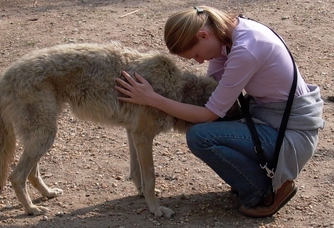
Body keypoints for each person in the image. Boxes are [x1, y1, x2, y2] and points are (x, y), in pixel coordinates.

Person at [114, 6, 324, 218]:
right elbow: (211, 88)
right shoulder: (228, 36)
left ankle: (266, 189)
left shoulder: (246, 49)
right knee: (211, 127)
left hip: (290, 134)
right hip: (267, 119)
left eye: (196, 54)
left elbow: (208, 114)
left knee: (200, 136)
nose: (199, 61)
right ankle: (255, 176)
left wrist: (152, 99)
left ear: (203, 35)